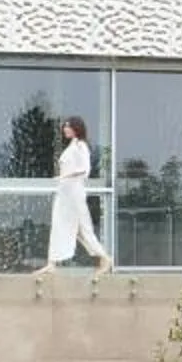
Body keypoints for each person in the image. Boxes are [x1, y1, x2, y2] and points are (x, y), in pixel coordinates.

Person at [48, 115, 112, 273]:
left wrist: (64, 176)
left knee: (79, 228)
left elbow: (85, 169)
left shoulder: (81, 146)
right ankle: (52, 263)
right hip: (66, 192)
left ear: (77, 128)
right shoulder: (73, 145)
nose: (65, 129)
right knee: (67, 226)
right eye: (65, 126)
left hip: (73, 193)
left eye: (69, 126)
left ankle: (104, 257)